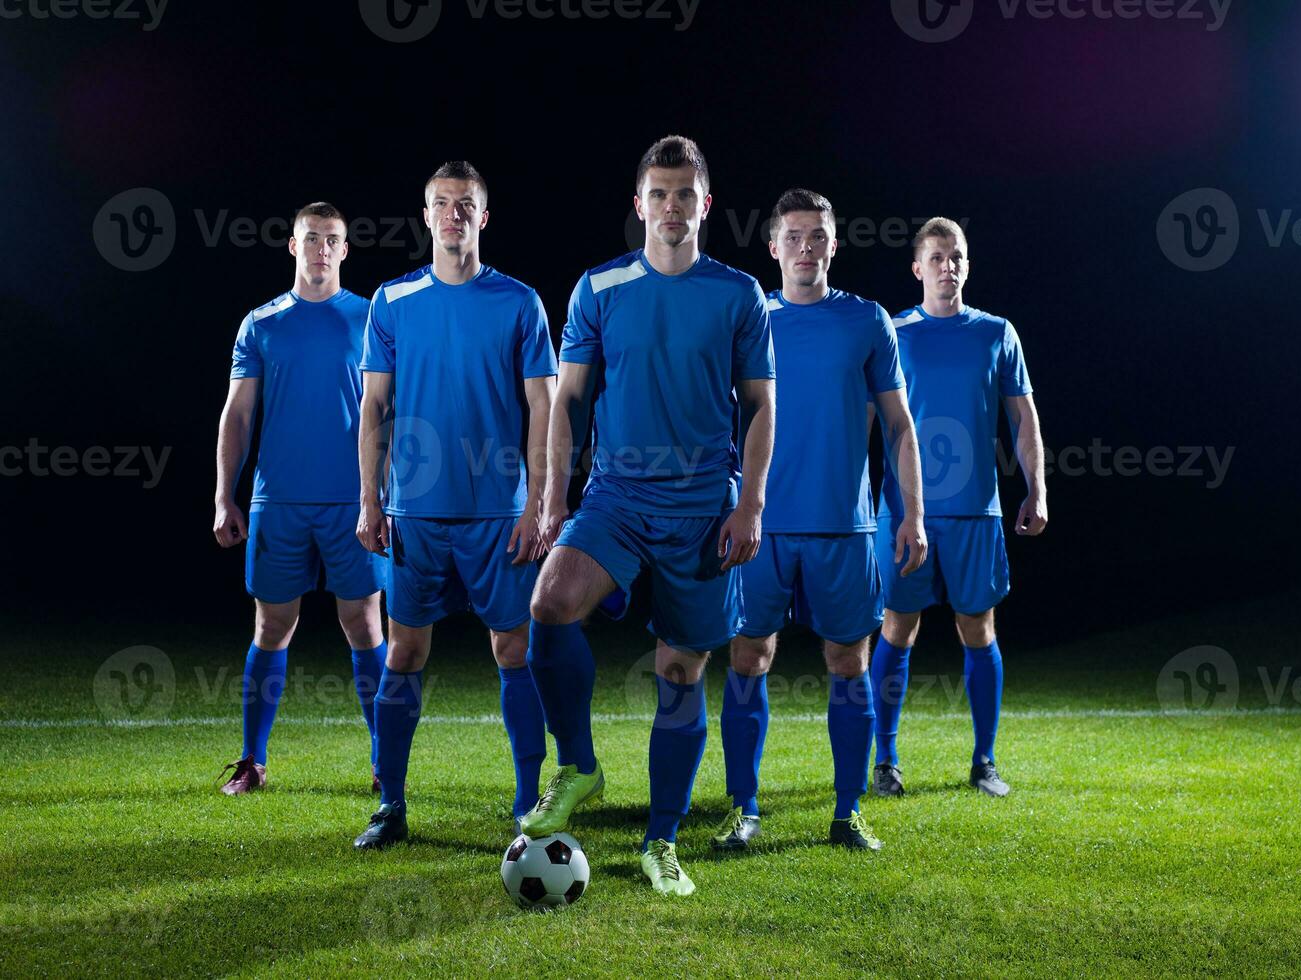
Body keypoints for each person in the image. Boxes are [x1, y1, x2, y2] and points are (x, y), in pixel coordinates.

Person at [519, 135, 776, 896]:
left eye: (683, 193)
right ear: (638, 205)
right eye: (657, 194)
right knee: (550, 603)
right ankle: (578, 765)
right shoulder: (598, 287)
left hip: (702, 506)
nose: (670, 207)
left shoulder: (737, 294)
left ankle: (660, 841)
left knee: (677, 673)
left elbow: (762, 406)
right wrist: (551, 497)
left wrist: (750, 502)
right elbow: (567, 398)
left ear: (705, 203)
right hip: (617, 496)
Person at [710, 189, 927, 853]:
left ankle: (846, 811)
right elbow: (717, 419)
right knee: (749, 656)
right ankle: (741, 809)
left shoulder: (865, 321)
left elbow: (897, 424)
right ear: (772, 246)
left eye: (817, 237)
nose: (806, 248)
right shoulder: (748, 320)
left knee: (846, 661)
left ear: (833, 245)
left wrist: (911, 512)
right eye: (793, 237)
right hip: (760, 526)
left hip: (843, 525)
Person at [352, 162, 558, 848]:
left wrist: (538, 504)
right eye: (441, 203)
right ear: (425, 213)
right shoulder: (391, 300)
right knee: (404, 653)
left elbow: (542, 406)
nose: (452, 214)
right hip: (412, 511)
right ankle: (391, 806)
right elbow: (374, 405)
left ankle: (529, 801)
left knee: (513, 649)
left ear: (483, 216)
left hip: (499, 513)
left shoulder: (519, 302)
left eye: (465, 204)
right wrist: (369, 500)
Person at [871, 217, 1047, 799]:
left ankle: (984, 762)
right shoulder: (891, 333)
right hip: (903, 511)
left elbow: (1023, 417)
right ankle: (886, 761)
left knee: (978, 627)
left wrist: (1037, 489)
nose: (949, 266)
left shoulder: (997, 333)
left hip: (976, 510)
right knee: (898, 627)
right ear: (917, 268)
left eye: (958, 257)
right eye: (938, 257)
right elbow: (865, 421)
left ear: (966, 266)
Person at [213, 202, 386, 795]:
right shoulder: (261, 324)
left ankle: (384, 760)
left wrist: (382, 495)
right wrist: (223, 496)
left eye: (331, 240)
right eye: (310, 238)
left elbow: (386, 413)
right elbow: (237, 413)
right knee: (272, 624)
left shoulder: (369, 318)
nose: (320, 249)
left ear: (344, 249)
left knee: (364, 622)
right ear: (292, 245)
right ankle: (252, 760)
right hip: (277, 499)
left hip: (352, 502)